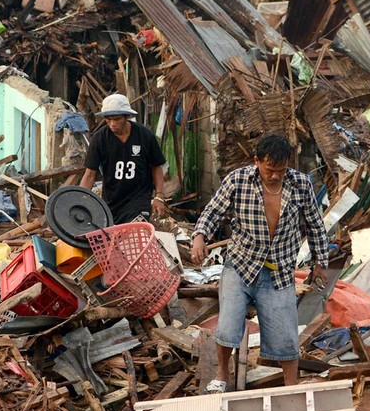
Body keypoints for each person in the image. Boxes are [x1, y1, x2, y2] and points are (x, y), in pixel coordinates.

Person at [191, 133, 329, 393]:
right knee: (229, 325)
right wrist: (200, 237)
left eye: (280, 169)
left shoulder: (300, 184)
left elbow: (315, 225)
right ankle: (222, 375)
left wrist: (321, 262)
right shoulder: (238, 180)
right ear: (257, 161)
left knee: (286, 335)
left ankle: (291, 387)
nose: (275, 175)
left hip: (278, 272)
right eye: (269, 169)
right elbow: (212, 212)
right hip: (240, 266)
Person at [80, 94, 168, 223]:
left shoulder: (145, 136)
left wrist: (159, 196)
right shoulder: (99, 139)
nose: (112, 124)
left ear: (127, 117)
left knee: (136, 232)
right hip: (112, 201)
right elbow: (89, 175)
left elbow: (156, 166)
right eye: (108, 120)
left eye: (117, 119)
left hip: (139, 198)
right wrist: (79, 201)